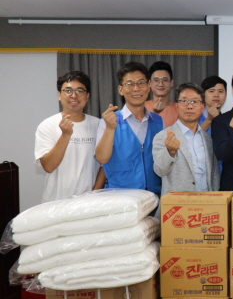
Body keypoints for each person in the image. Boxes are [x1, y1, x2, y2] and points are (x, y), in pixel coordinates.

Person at [95, 61, 164, 195]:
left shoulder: (158, 121)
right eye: (130, 84)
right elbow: (102, 159)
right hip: (120, 198)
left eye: (141, 83)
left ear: (149, 86)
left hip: (153, 197)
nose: (136, 88)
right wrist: (110, 128)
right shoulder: (109, 121)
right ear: (121, 89)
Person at [35, 71, 102, 202]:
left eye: (80, 91)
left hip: (89, 202)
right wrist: (65, 135)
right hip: (55, 202)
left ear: (87, 96)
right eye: (68, 90)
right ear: (59, 95)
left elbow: (105, 165)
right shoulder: (47, 125)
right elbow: (48, 166)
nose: (74, 95)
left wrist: (94, 194)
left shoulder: (98, 124)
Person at [153, 83, 220, 196]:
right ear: (177, 106)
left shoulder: (209, 139)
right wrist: (170, 152)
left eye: (195, 102)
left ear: (202, 107)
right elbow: (159, 171)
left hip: (207, 204)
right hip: (178, 206)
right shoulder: (163, 136)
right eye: (184, 101)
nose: (190, 106)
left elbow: (214, 175)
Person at [144, 61, 177, 127]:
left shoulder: (180, 108)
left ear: (171, 83)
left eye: (165, 80)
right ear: (149, 83)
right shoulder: (141, 107)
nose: (161, 84)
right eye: (156, 80)